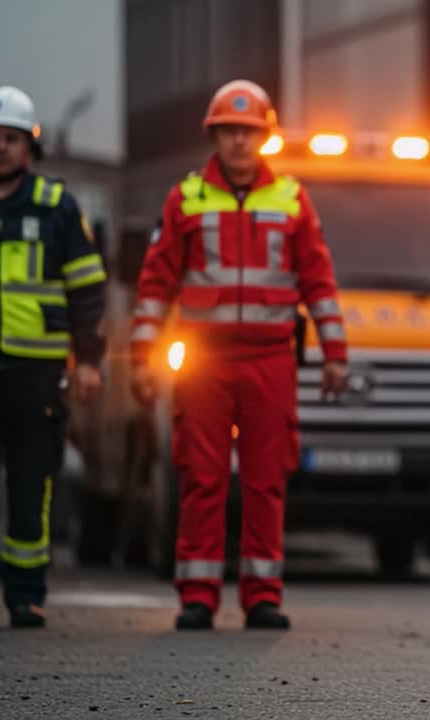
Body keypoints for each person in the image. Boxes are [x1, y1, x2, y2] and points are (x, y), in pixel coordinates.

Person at [129, 80, 347, 631]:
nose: (240, 143)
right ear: (215, 136)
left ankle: (262, 596)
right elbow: (156, 281)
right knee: (200, 476)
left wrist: (336, 352)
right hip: (204, 360)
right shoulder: (187, 199)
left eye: (249, 133)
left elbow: (318, 281)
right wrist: (141, 354)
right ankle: (197, 595)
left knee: (265, 478)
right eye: (230, 131)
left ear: (265, 138)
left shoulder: (293, 199)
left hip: (270, 359)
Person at [0, 86, 106, 629]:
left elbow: (87, 291)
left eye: (11, 139)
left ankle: (26, 593)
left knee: (33, 481)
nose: (1, 149)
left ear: (31, 147)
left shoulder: (57, 209)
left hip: (37, 374)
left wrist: (91, 361)